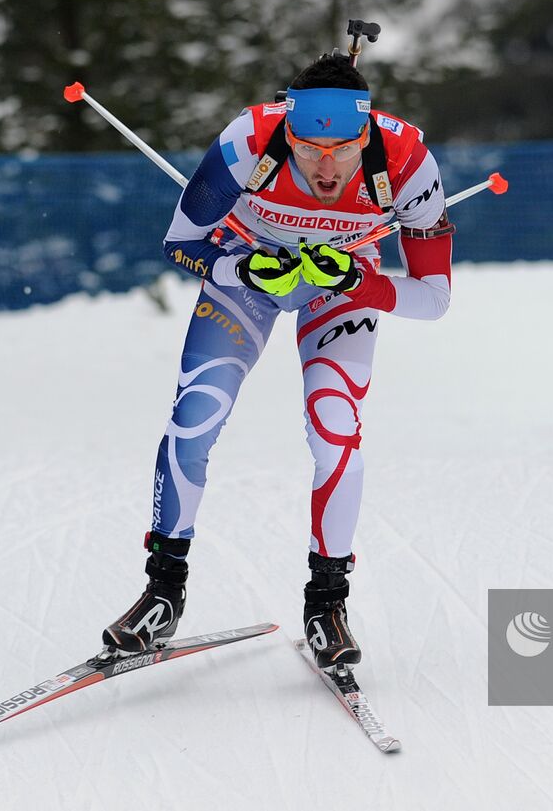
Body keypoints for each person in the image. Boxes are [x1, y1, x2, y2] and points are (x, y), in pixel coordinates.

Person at [101, 51, 453, 670]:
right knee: (194, 420)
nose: (325, 164)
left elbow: (435, 299)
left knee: (335, 430)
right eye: (307, 147)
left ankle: (327, 604)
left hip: (340, 288)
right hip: (248, 278)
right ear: (286, 128)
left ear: (366, 133)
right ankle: (162, 593)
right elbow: (179, 242)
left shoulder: (407, 164)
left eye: (344, 149)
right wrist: (239, 266)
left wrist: (353, 279)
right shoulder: (247, 140)